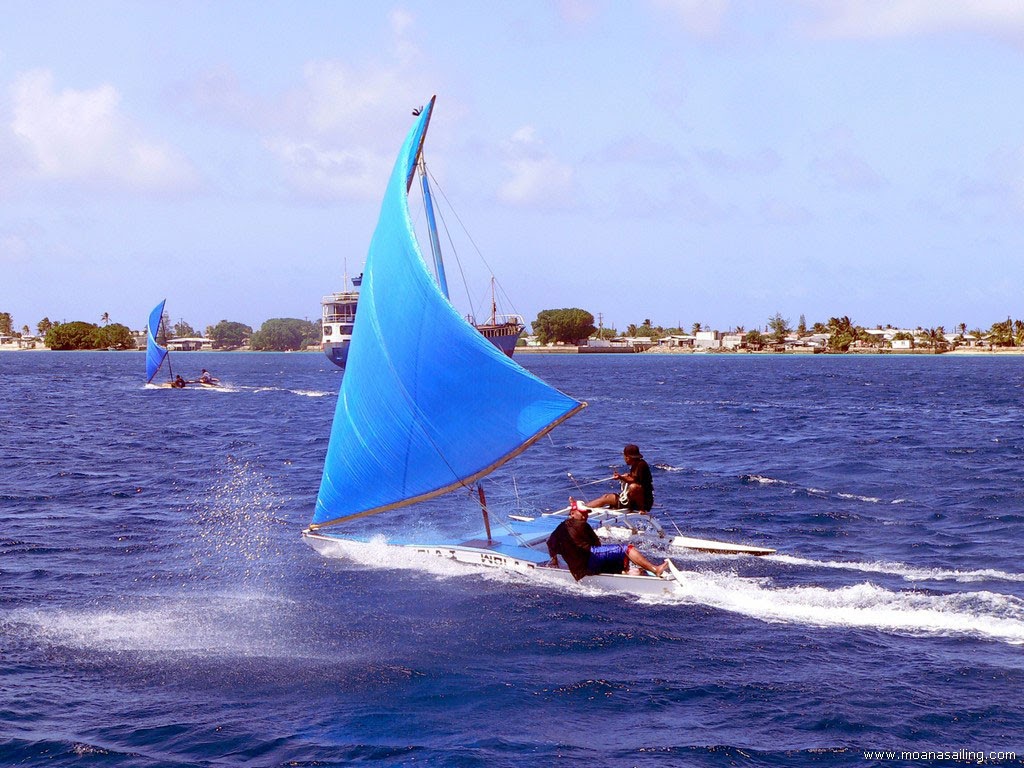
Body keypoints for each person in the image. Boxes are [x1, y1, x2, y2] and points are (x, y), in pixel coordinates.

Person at [546, 499, 668, 581]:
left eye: (586, 513)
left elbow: (550, 544)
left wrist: (555, 560)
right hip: (589, 562)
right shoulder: (583, 525)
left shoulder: (560, 528)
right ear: (572, 513)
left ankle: (626, 571)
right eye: (582, 513)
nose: (585, 516)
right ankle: (655, 569)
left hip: (578, 570)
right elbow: (597, 544)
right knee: (627, 549)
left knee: (606, 554)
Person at [585, 443, 654, 514]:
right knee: (606, 497)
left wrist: (620, 477)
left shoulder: (641, 465)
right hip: (632, 500)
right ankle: (585, 508)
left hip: (640, 503)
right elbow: (635, 478)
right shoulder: (636, 464)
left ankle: (641, 509)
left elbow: (634, 481)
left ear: (628, 457)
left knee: (634, 487)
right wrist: (624, 476)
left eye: (625, 456)